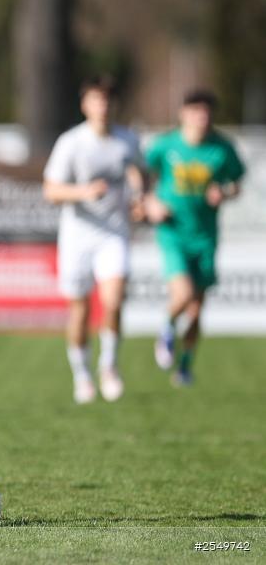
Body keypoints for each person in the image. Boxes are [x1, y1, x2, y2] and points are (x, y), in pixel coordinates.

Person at [43, 76, 145, 404]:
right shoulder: (71, 142)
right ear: (85, 105)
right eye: (95, 100)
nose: (102, 107)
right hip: (77, 237)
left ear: (114, 105)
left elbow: (141, 176)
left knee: (114, 299)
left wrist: (141, 198)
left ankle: (109, 367)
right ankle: (82, 375)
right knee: (81, 310)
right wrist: (83, 192)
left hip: (113, 233)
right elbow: (51, 190)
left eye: (107, 101)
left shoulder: (127, 141)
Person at [144, 89, 245, 386]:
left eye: (207, 111)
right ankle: (165, 328)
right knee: (183, 294)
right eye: (196, 111)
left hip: (205, 236)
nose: (202, 117)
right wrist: (149, 201)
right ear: (183, 114)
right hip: (173, 232)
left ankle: (185, 365)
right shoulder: (165, 146)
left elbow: (236, 183)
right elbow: (139, 173)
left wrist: (224, 193)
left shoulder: (222, 149)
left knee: (197, 309)